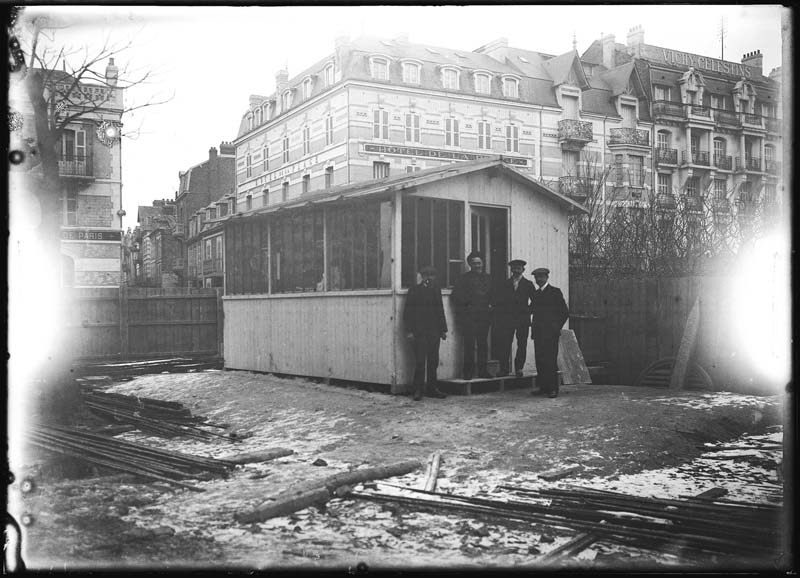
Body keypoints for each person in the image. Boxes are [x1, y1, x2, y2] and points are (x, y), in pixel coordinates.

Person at [403, 265, 448, 401]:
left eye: (432, 275)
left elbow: (440, 310)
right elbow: (407, 312)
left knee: (433, 361)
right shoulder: (414, 290)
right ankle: (418, 390)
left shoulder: (436, 290)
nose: (429, 278)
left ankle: (432, 389)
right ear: (422, 277)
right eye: (426, 275)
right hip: (419, 332)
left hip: (434, 331)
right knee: (420, 361)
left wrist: (443, 330)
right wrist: (409, 331)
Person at [452, 251, 493, 380]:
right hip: (469, 317)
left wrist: (492, 305)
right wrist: (467, 305)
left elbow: (495, 295)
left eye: (479, 263)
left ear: (483, 263)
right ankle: (468, 372)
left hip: (484, 316)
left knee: (482, 344)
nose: (477, 265)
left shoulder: (489, 278)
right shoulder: (463, 279)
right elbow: (455, 296)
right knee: (469, 344)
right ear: (470, 264)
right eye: (474, 263)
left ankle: (483, 371)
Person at [530, 267, 569, 398]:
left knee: (550, 360)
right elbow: (531, 311)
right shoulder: (535, 294)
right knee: (540, 360)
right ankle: (543, 387)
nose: (539, 279)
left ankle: (553, 389)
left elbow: (564, 312)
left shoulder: (555, 292)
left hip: (550, 334)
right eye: (537, 277)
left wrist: (555, 327)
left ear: (547, 277)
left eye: (541, 277)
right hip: (538, 333)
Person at [493, 259, 535, 377]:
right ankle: (504, 369)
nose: (516, 270)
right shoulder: (504, 284)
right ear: (511, 270)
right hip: (507, 320)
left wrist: (527, 311)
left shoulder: (528, 284)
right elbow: (498, 301)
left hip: (522, 320)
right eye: (514, 268)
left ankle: (519, 368)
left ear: (523, 270)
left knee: (522, 344)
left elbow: (535, 301)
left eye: (519, 268)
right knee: (505, 343)